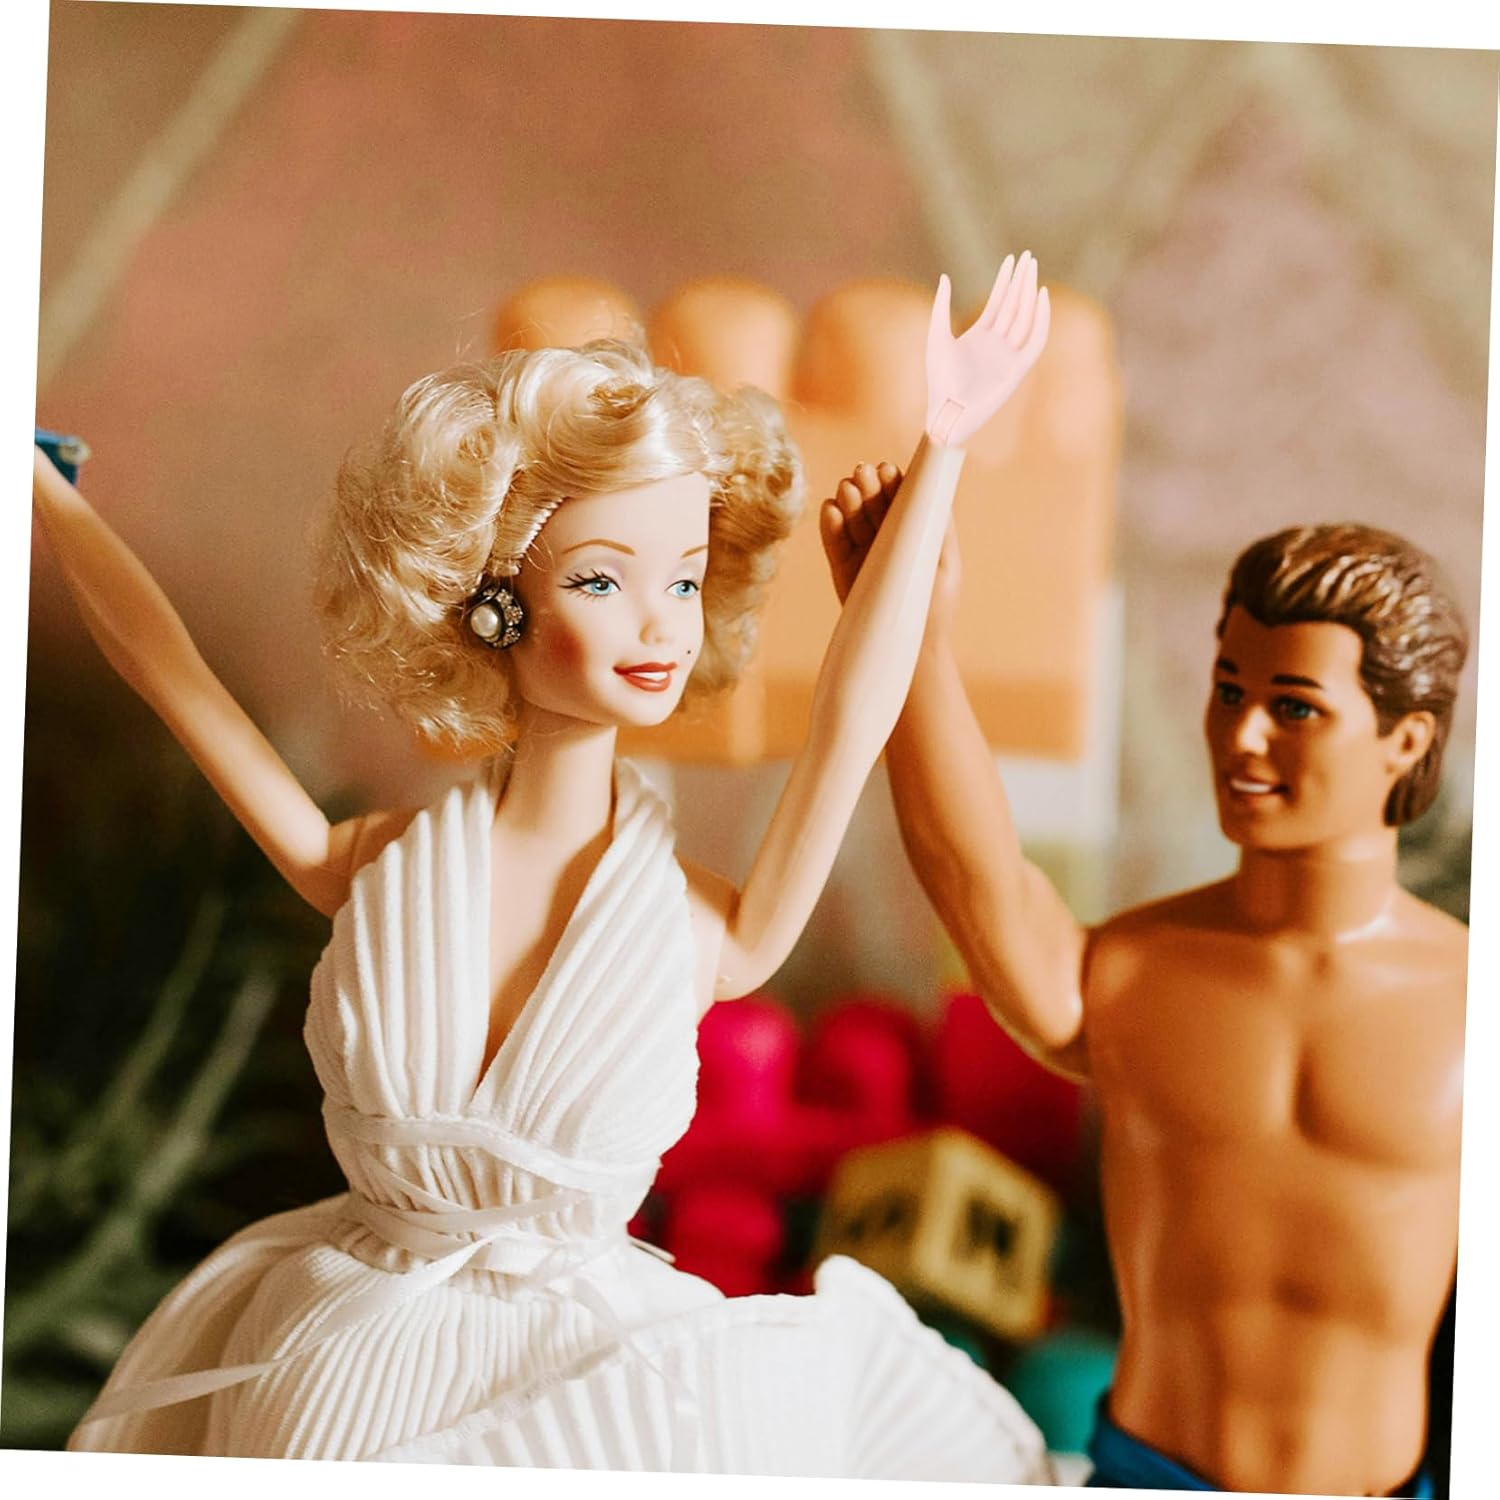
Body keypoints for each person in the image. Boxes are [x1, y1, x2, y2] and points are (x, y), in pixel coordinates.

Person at [32, 256, 1056, 1475]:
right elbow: (177, 679)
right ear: (494, 601)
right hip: (342, 1361)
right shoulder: (376, 867)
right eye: (602, 579)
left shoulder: (702, 930)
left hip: (585, 1377)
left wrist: (944, 443)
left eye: (684, 580)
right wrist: (49, 496)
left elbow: (848, 725)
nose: (661, 623)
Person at [821, 466, 1468, 1497]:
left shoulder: (1472, 1007)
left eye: (1294, 708)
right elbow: (977, 880)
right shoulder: (1131, 974)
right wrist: (911, 633)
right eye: (1229, 691)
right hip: (1145, 1475)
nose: (1242, 738)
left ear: (1406, 740)